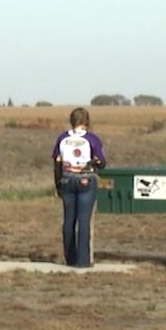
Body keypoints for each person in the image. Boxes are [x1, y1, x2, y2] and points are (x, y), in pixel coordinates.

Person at [52, 107, 106, 268]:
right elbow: (101, 163)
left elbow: (56, 163)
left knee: (69, 220)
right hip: (85, 180)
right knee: (84, 220)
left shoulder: (62, 138)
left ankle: (70, 257)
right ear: (87, 121)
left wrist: (58, 185)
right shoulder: (92, 139)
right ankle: (82, 260)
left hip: (67, 180)